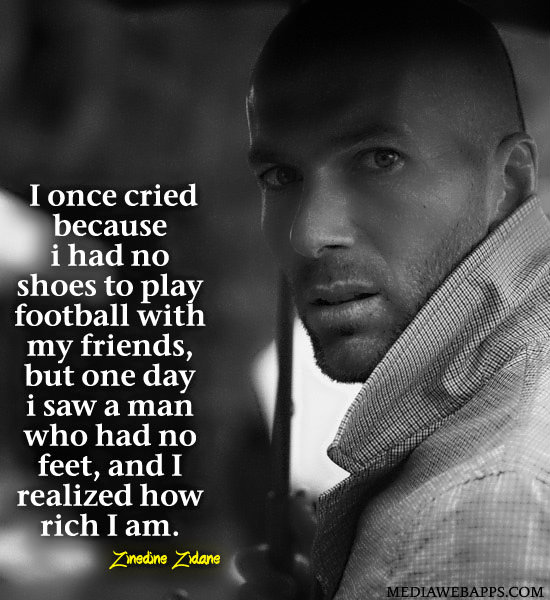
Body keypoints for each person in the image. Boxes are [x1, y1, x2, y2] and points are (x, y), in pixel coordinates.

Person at [244, 0, 549, 597]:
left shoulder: (478, 510)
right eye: (280, 176)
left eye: (378, 159)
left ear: (508, 181)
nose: (308, 234)